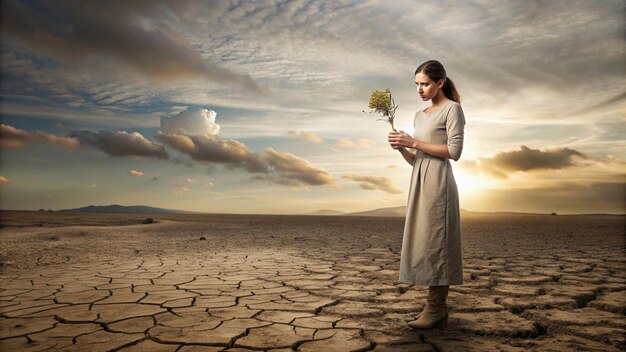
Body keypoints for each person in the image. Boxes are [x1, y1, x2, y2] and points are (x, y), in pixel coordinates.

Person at [387, 59, 466, 329]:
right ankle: (434, 308)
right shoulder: (420, 115)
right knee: (424, 241)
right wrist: (402, 147)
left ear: (440, 82)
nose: (420, 89)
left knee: (437, 242)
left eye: (426, 84)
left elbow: (454, 152)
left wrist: (414, 141)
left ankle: (436, 308)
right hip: (419, 181)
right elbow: (418, 160)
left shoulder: (453, 110)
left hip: (439, 185)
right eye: (417, 84)